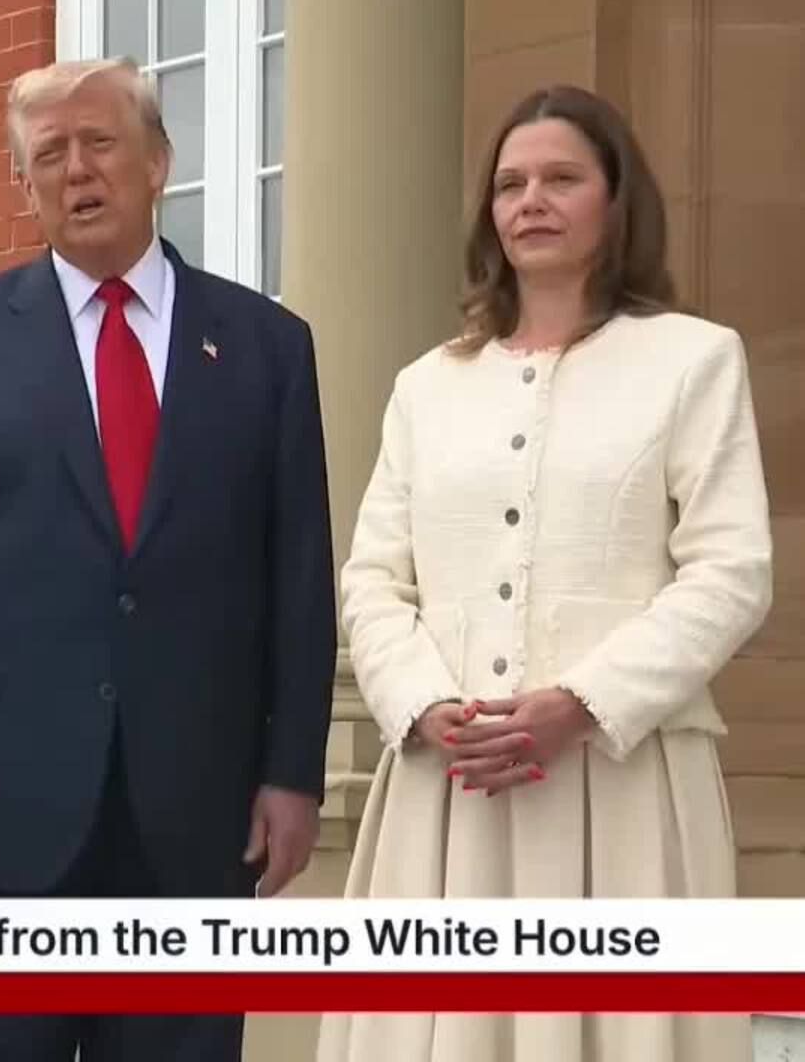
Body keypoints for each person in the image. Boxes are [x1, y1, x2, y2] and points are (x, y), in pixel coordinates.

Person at [0, 57, 336, 1061]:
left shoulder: (266, 345)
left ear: (157, 161)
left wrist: (294, 772)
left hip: (196, 818)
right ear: (25, 184)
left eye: (99, 143)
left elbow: (297, 579)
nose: (76, 170)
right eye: (49, 155)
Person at [317, 85, 773, 1062]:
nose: (531, 200)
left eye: (562, 178)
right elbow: (372, 577)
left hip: (622, 786)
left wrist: (582, 702)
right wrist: (424, 704)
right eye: (510, 183)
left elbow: (733, 570)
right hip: (449, 792)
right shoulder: (427, 386)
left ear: (617, 200)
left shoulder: (693, 361)